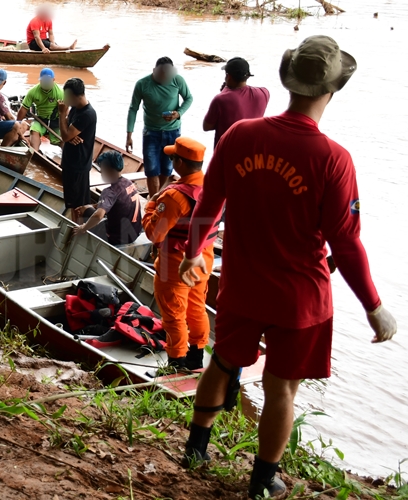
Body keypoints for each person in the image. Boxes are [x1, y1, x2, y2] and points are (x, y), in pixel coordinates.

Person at [178, 36, 397, 499]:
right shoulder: (333, 159)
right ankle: (263, 481)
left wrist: (196, 251)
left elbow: (207, 207)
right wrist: (374, 306)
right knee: (281, 388)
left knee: (221, 361)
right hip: (300, 298)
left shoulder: (240, 136)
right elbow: (347, 242)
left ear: (287, 82)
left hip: (241, 284)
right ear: (332, 90)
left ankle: (196, 449)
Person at [141, 137, 214, 374]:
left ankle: (175, 364)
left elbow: (154, 234)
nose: (171, 161)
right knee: (197, 308)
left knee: (173, 314)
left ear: (180, 163)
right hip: (204, 259)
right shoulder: (215, 186)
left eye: (173, 158)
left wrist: (151, 205)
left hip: (176, 263)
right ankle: (196, 358)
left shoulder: (174, 197)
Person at [126, 57, 194, 197]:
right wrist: (129, 135)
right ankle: (153, 200)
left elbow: (189, 98)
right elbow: (133, 108)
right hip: (151, 132)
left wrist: (178, 113)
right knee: (151, 170)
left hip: (173, 132)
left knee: (167, 170)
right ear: (154, 71)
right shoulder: (142, 84)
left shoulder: (178, 80)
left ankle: (157, 197)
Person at [72, 151, 142, 245]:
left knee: (84, 209)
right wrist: (96, 205)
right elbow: (118, 202)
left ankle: (78, 238)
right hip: (134, 234)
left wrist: (83, 227)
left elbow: (98, 216)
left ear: (107, 168)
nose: (101, 171)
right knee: (91, 208)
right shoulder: (128, 183)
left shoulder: (109, 191)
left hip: (116, 238)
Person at [203, 57, 270, 147]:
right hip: (251, 153)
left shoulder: (220, 99)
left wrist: (225, 92)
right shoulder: (264, 93)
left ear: (228, 76)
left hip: (227, 153)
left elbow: (207, 127)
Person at [58, 78, 97, 215]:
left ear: (73, 96)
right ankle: (77, 227)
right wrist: (70, 136)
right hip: (70, 163)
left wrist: (62, 113)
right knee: (71, 201)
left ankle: (78, 230)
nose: (64, 100)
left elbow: (64, 136)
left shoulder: (87, 114)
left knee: (77, 205)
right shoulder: (75, 109)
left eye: (66, 96)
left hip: (78, 165)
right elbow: (67, 132)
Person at [16, 68, 61, 152]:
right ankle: (35, 153)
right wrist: (17, 124)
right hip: (40, 119)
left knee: (63, 140)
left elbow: (65, 112)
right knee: (34, 131)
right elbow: (23, 109)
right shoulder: (33, 92)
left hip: (55, 120)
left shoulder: (60, 93)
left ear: (53, 80)